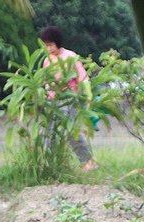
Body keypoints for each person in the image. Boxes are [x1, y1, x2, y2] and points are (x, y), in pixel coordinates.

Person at [40, 25, 99, 172]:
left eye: (51, 45)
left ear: (57, 42)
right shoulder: (47, 61)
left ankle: (88, 162)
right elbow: (45, 81)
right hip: (52, 101)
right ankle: (49, 164)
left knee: (71, 132)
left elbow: (82, 77)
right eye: (46, 46)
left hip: (69, 99)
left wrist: (88, 97)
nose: (49, 49)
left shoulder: (70, 57)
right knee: (48, 132)